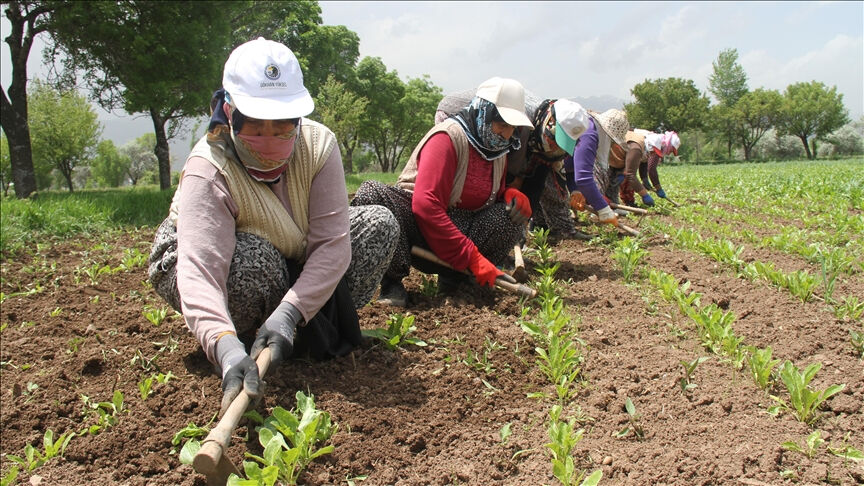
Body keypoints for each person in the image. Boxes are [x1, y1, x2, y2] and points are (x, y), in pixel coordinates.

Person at [147, 38, 398, 412]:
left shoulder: (318, 144)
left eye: (282, 129)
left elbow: (331, 244)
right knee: (253, 262)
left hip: (290, 245)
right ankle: (246, 336)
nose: (269, 142)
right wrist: (225, 346)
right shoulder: (209, 167)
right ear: (230, 114)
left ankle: (287, 326)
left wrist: (289, 311)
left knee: (378, 224)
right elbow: (201, 271)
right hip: (209, 257)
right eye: (256, 128)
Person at [351, 77, 533, 307]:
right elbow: (426, 206)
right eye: (502, 125)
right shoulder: (447, 138)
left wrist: (507, 194)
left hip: (461, 231)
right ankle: (392, 282)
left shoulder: (496, 149)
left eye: (512, 128)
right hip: (418, 231)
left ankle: (459, 282)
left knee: (510, 217)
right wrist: (471, 257)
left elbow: (483, 192)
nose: (507, 135)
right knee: (373, 193)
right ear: (483, 114)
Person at [435, 92, 590, 240]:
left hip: (499, 128)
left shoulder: (543, 138)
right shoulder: (522, 123)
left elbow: (537, 181)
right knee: (477, 184)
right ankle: (457, 235)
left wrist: (522, 221)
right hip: (456, 113)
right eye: (555, 141)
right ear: (550, 123)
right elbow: (508, 173)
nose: (556, 148)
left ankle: (499, 239)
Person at [557, 108, 630, 227]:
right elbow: (583, 178)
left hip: (554, 166)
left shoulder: (590, 127)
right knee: (555, 207)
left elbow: (570, 164)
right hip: (546, 164)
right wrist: (603, 209)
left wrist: (574, 190)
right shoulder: (589, 133)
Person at [619, 130, 680, 206]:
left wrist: (644, 179)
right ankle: (623, 201)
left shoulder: (649, 147)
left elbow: (644, 162)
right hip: (617, 158)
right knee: (625, 178)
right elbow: (632, 174)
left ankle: (626, 201)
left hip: (622, 158)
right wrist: (646, 195)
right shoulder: (642, 146)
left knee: (624, 178)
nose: (669, 153)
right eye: (671, 150)